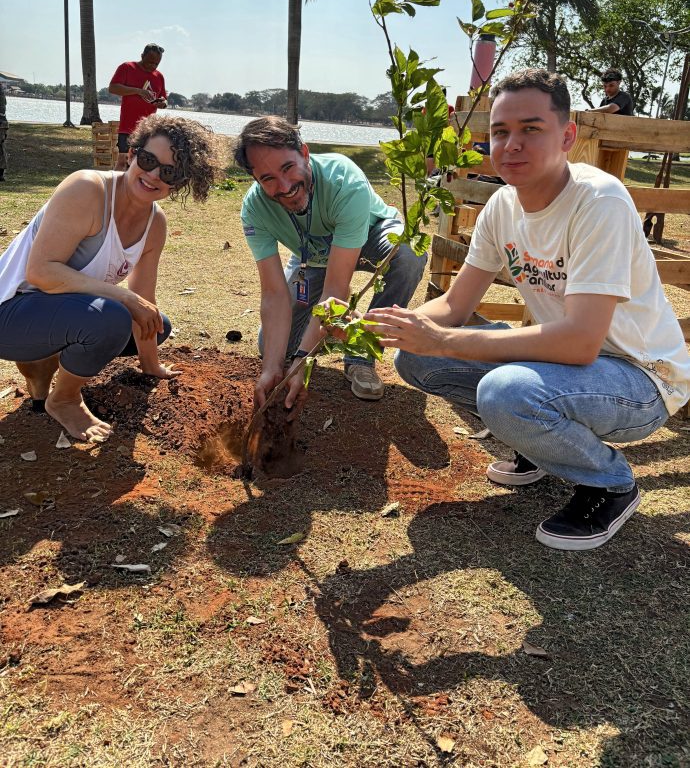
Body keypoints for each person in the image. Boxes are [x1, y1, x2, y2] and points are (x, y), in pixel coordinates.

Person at [366, 68, 690, 551]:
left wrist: (445, 340)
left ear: (567, 136)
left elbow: (580, 342)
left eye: (530, 129)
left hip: (642, 379)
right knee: (414, 357)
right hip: (566, 369)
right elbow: (456, 304)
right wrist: (378, 327)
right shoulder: (502, 206)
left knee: (505, 392)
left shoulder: (598, 202)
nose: (511, 144)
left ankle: (610, 484)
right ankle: (540, 445)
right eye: (500, 132)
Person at [0, 114, 218, 443]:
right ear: (131, 154)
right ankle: (64, 399)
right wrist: (125, 298)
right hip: (9, 313)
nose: (153, 174)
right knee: (113, 316)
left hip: (54, 313)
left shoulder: (154, 224)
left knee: (157, 325)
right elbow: (40, 272)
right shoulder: (88, 189)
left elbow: (144, 297)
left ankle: (43, 366)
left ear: (179, 184)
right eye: (147, 160)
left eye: (169, 172)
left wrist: (150, 365)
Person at [235, 116, 427, 410]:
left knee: (407, 254)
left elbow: (336, 286)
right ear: (255, 179)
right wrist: (271, 367)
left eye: (288, 168)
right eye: (268, 179)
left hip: (371, 236)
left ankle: (360, 356)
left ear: (305, 153)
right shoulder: (254, 209)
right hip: (311, 257)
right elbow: (274, 294)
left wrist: (301, 363)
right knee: (271, 347)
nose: (285, 186)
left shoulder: (343, 180)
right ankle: (340, 329)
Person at [109, 44, 168, 170]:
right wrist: (138, 91)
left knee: (140, 165)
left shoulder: (159, 76)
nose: (153, 66)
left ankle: (133, 189)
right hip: (127, 128)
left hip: (147, 130)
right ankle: (114, 188)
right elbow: (113, 88)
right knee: (122, 162)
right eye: (150, 62)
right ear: (142, 56)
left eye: (156, 64)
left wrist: (162, 103)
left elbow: (164, 98)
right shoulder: (127, 67)